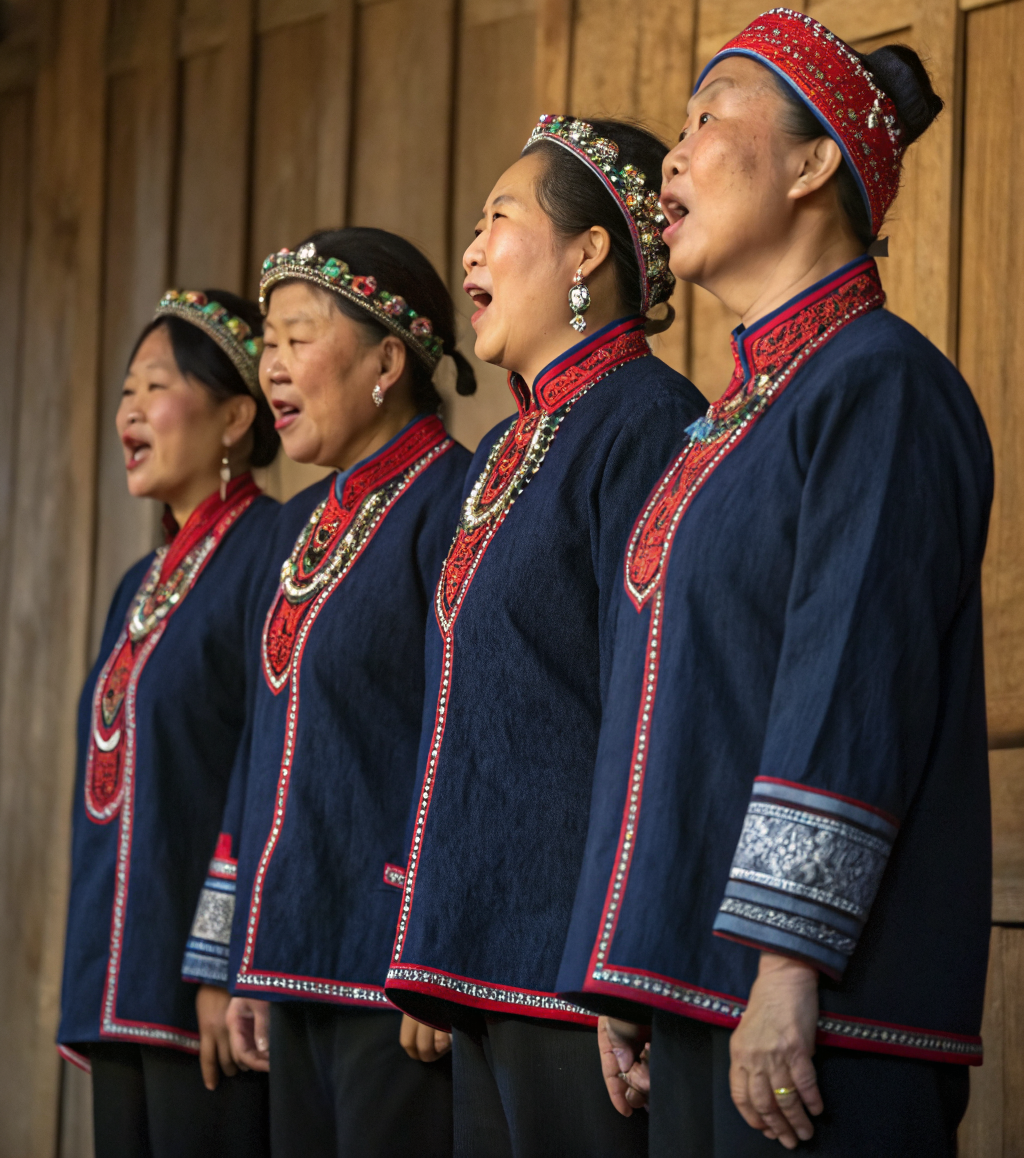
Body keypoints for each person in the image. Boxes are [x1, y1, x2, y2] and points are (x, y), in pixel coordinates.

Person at [556, 10, 993, 1156]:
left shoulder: (877, 382)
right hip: (703, 990)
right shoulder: (724, 422)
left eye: (706, 120)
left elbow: (851, 680)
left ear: (809, 166)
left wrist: (788, 963)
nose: (672, 158)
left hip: (818, 1014)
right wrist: (629, 962)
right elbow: (672, 708)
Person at [384, 117, 707, 1157]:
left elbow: (651, 704)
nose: (469, 250)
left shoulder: (646, 416)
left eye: (499, 218)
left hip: (578, 962)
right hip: (487, 954)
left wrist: (622, 956)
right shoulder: (500, 449)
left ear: (587, 252)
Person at [193, 228, 473, 1157]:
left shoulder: (452, 502)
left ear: (387, 361)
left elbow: (466, 739)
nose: (271, 365)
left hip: (394, 973)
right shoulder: (300, 524)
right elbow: (258, 748)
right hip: (291, 958)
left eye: (297, 338)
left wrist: (437, 946)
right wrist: (239, 958)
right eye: (266, 343)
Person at [58, 289, 280, 1158]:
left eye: (155, 386)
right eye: (125, 392)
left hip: (211, 1001)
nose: (130, 410)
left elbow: (268, 762)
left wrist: (225, 962)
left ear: (235, 416)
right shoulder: (136, 586)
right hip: (118, 983)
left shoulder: (273, 550)